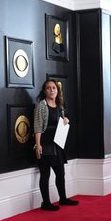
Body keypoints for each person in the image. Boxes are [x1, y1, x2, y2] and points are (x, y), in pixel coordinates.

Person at [34, 79, 78, 210]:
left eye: (54, 88)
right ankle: (46, 203)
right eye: (48, 88)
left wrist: (66, 120)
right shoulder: (41, 106)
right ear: (44, 91)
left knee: (60, 173)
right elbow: (37, 126)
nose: (51, 90)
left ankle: (63, 199)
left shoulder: (60, 106)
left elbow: (63, 121)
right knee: (45, 175)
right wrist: (38, 145)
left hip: (57, 144)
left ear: (57, 91)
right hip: (45, 144)